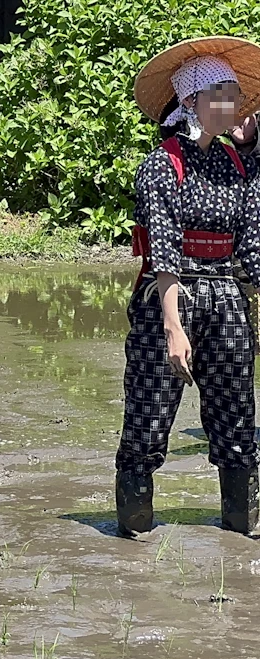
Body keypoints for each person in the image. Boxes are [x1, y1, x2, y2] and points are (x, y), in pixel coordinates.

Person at [119, 37, 260, 538]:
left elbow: (253, 250)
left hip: (226, 298)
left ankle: (242, 522)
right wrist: (174, 328)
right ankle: (134, 526)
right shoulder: (161, 165)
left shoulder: (241, 165)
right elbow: (163, 253)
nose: (230, 103)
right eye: (218, 93)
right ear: (190, 102)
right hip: (169, 297)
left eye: (234, 94)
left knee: (237, 415)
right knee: (149, 414)